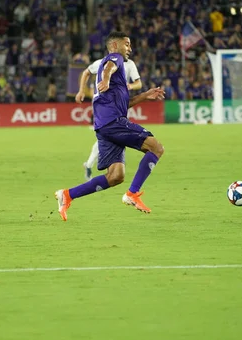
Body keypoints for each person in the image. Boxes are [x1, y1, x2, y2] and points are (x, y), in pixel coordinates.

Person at [55, 31, 165, 221]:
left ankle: (67, 195)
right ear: (115, 45)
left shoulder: (117, 77)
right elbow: (109, 67)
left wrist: (145, 95)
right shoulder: (115, 58)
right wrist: (105, 77)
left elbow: (125, 104)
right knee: (156, 148)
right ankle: (132, 194)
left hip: (104, 126)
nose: (130, 48)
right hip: (113, 122)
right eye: (127, 44)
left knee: (115, 176)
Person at [76, 56, 142, 180]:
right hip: (105, 107)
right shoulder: (101, 63)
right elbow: (86, 72)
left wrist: (130, 86)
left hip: (120, 105)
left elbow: (139, 83)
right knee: (110, 134)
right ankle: (111, 165)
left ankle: (90, 165)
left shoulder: (129, 64)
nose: (129, 49)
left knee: (108, 136)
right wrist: (81, 91)